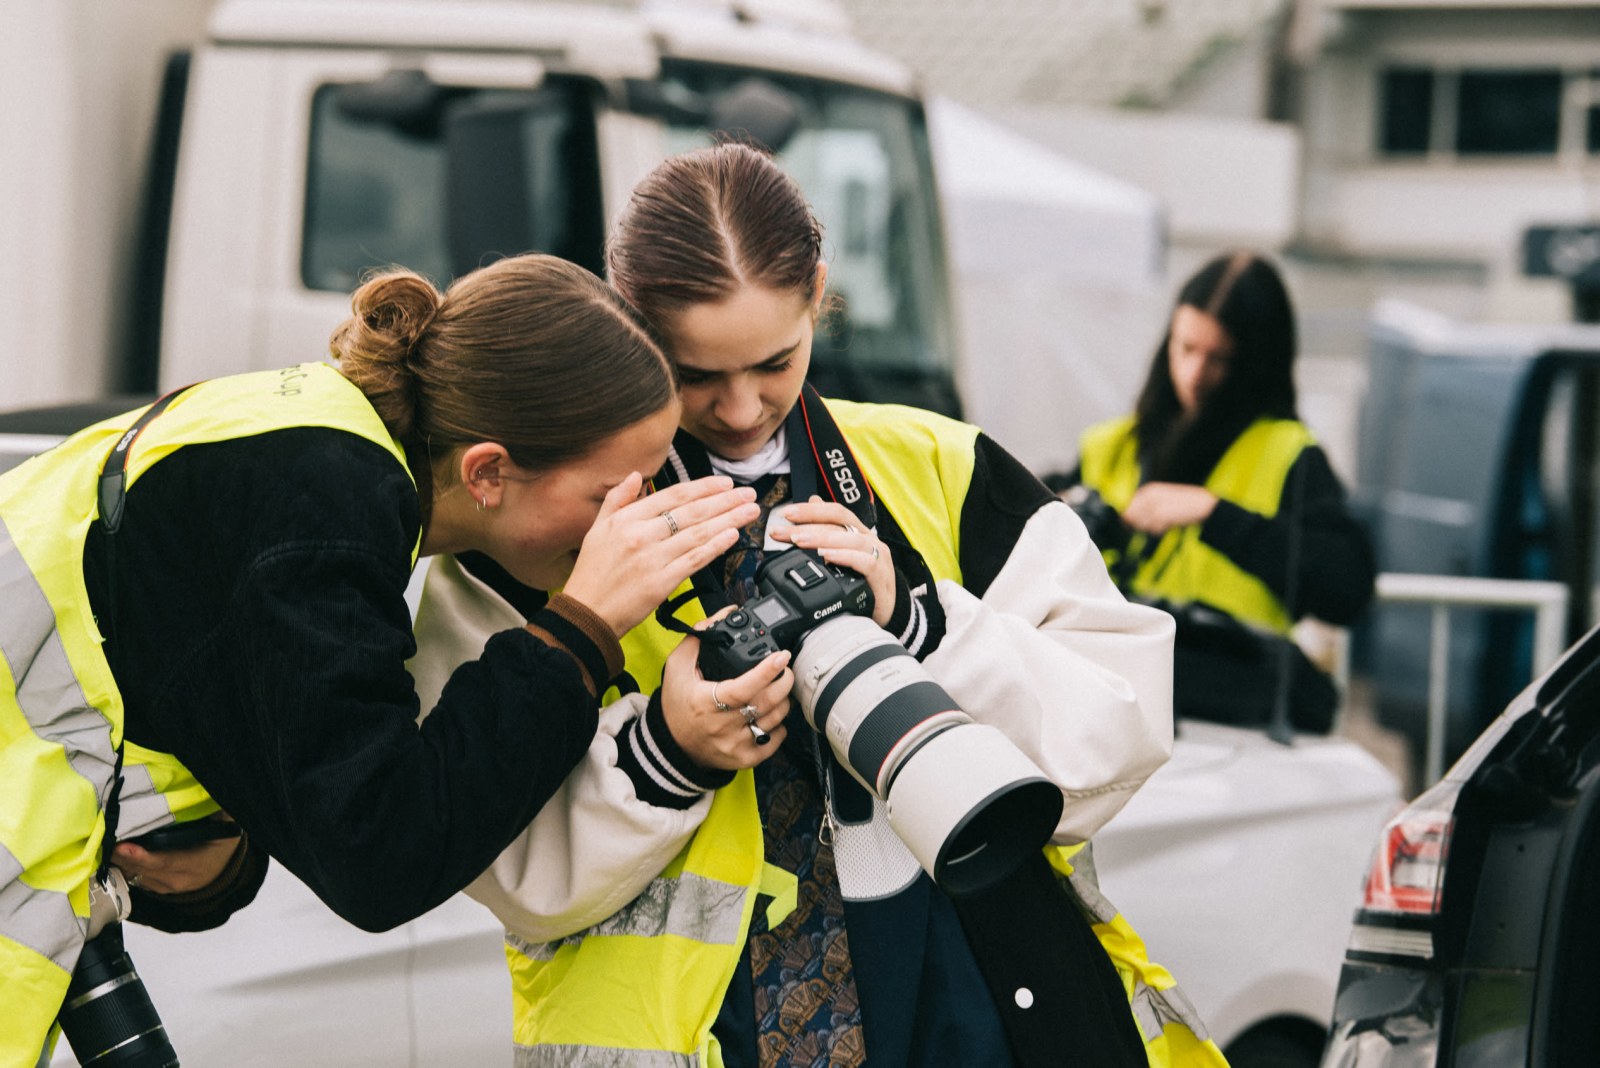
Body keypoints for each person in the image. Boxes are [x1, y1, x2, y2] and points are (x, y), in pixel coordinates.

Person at [410, 145, 1226, 1067]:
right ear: (624, 323)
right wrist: (665, 751)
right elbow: (494, 855)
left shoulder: (940, 468)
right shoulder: (540, 522)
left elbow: (1119, 733)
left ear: (820, 297)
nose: (742, 406)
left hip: (977, 1008)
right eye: (696, 375)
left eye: (774, 359)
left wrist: (924, 628)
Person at [0, 252, 761, 1065]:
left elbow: (206, 700)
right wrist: (581, 629)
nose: (628, 524)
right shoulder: (319, 511)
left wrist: (219, 857)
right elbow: (381, 856)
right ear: (489, 471)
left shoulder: (304, 443)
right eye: (609, 494)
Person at [1059, 250, 1376, 733]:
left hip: (1228, 724)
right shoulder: (1109, 446)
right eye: (1185, 349)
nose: (1193, 375)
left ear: (1256, 363)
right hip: (1106, 709)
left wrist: (1215, 515)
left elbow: (1346, 587)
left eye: (1219, 358)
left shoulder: (1289, 455)